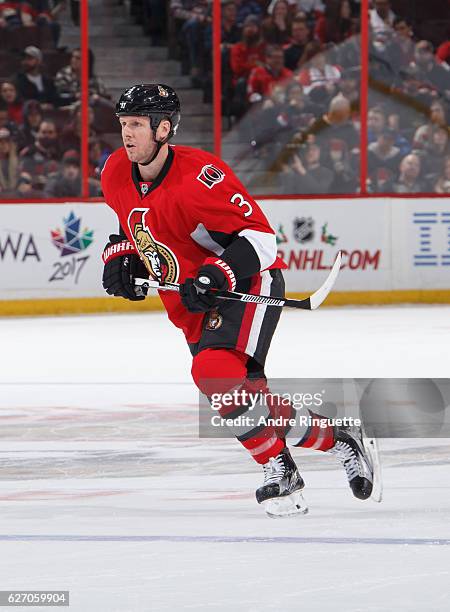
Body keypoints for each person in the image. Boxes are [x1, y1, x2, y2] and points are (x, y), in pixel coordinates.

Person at [100, 83, 376, 517]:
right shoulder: (115, 170)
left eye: (136, 124)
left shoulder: (202, 176)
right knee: (241, 400)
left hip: (245, 285)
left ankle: (278, 467)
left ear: (164, 128)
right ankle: (339, 438)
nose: (127, 134)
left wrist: (214, 272)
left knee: (213, 374)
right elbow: (132, 225)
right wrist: (119, 259)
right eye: (123, 124)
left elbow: (262, 240)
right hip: (189, 303)